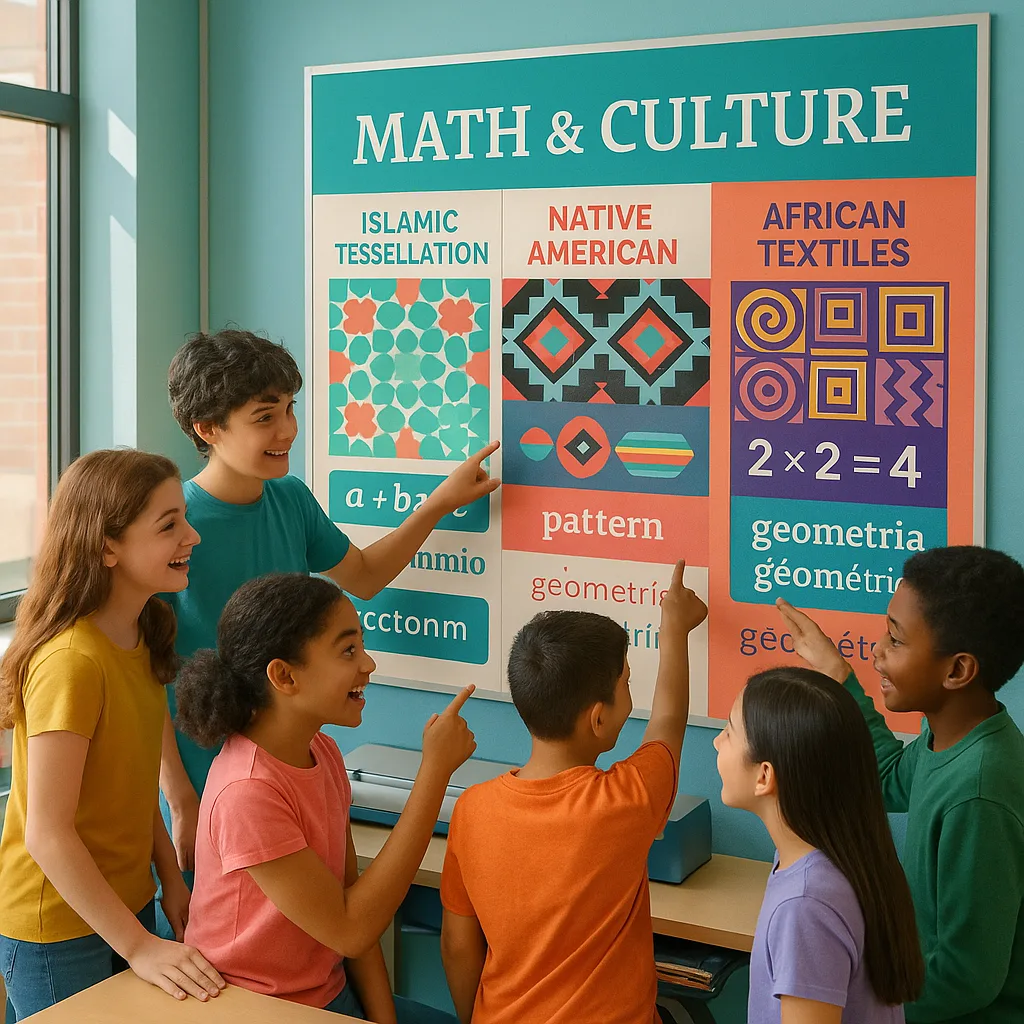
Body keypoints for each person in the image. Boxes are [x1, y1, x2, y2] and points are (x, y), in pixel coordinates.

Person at [158, 329, 500, 896]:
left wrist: (437, 503)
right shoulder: (177, 523)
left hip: (290, 762)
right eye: (265, 417)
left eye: (290, 409)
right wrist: (179, 796)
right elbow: (151, 673)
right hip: (205, 775)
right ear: (209, 429)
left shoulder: (289, 498)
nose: (288, 430)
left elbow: (364, 576)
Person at [177, 571, 469, 1022]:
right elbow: (352, 929)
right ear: (284, 676)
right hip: (255, 1009)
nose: (368, 664)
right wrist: (433, 774)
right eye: (348, 650)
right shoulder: (247, 792)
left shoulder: (323, 751)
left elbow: (357, 902)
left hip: (326, 995)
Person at [0, 450, 225, 1019]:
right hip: (58, 932)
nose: (191, 536)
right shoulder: (72, 662)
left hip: (129, 910)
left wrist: (170, 882)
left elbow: (128, 782)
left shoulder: (143, 634)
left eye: (185, 518)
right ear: (106, 547)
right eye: (168, 524)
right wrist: (140, 946)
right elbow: (47, 834)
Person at [439, 560, 707, 1024]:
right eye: (626, 683)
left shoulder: (471, 809)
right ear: (598, 719)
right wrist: (674, 629)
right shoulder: (629, 798)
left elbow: (458, 946)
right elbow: (667, 722)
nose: (630, 692)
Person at [778, 545, 1024, 1023]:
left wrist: (854, 1007)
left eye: (896, 640)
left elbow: (965, 976)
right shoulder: (948, 734)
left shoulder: (979, 793)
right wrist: (836, 674)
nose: (878, 651)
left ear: (957, 670)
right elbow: (889, 779)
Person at [714, 667, 923, 1023]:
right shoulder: (835, 860)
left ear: (764, 776)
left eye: (730, 732)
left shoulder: (805, 905)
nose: (718, 741)